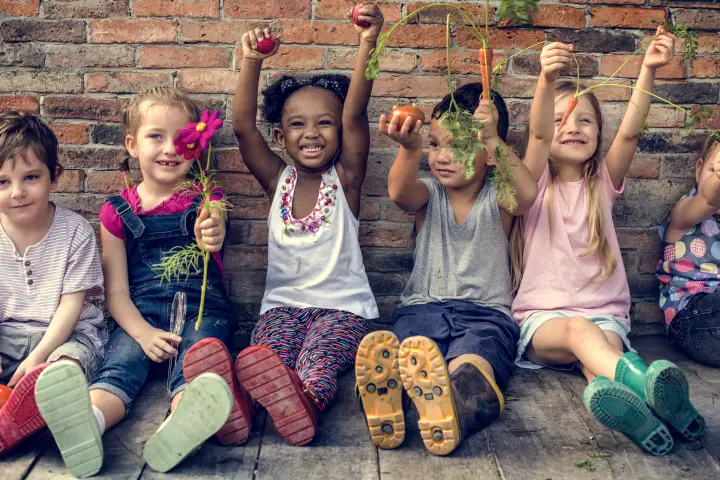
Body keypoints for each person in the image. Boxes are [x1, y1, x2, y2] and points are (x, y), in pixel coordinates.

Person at [35, 88, 250, 477]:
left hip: (204, 312)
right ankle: (90, 422)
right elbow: (115, 293)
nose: (171, 148)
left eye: (183, 138)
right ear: (132, 145)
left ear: (197, 146)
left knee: (196, 363)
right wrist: (143, 333)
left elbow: (214, 223)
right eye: (156, 136)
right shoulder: (116, 212)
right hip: (139, 315)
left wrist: (213, 229)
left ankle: (180, 425)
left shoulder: (206, 199)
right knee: (119, 367)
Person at [511, 31, 704, 456]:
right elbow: (540, 137)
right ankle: (648, 382)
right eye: (563, 118)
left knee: (599, 366)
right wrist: (546, 80)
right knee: (584, 336)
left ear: (599, 133)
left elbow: (631, 134)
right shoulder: (534, 181)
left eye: (586, 120)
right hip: (544, 321)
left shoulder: (602, 184)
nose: (573, 127)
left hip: (606, 319)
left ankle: (649, 420)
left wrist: (648, 70)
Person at [356, 82, 539, 455]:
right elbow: (398, 193)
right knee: (410, 357)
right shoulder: (429, 193)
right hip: (422, 309)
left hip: (484, 316)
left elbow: (527, 195)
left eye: (457, 144)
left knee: (473, 365)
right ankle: (393, 399)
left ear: (488, 154)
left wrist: (494, 141)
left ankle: (452, 405)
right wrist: (410, 148)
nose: (442, 155)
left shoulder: (499, 198)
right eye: (436, 144)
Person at [230, 3, 384, 446]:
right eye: (297, 124)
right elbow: (243, 128)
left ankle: (306, 404)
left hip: (343, 311)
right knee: (267, 358)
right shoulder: (278, 180)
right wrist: (252, 60)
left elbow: (356, 113)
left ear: (340, 134)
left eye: (325, 124)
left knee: (319, 359)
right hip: (281, 308)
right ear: (280, 137)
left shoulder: (346, 180)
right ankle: (237, 408)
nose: (312, 133)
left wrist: (368, 41)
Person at [0, 112, 104, 455]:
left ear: (54, 177)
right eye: (2, 182)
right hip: (7, 337)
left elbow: (71, 306)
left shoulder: (75, 231)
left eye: (31, 177)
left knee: (69, 364)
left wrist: (41, 356)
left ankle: (49, 405)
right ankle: (19, 414)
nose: (17, 192)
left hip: (65, 336)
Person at [657, 134, 720, 368]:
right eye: (713, 170)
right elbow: (712, 197)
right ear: (699, 169)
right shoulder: (686, 211)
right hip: (692, 320)